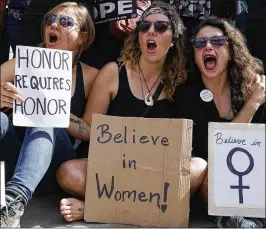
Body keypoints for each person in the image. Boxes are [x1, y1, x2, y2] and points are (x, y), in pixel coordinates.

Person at [56, 1, 207, 223]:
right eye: (144, 26)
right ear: (138, 36)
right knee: (68, 173)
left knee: (199, 168)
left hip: (155, 171)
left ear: (174, 39)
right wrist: (52, 109)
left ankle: (96, 209)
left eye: (161, 27)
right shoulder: (113, 72)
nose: (151, 31)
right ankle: (150, 209)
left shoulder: (181, 80)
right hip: (112, 169)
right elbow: (88, 129)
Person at [0, 2, 98, 227]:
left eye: (65, 22)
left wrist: (55, 108)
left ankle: (14, 201)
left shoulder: (92, 75)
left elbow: (92, 132)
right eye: (49, 21)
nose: (54, 25)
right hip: (17, 161)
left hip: (58, 167)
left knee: (45, 117)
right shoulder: (20, 64)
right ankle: (12, 198)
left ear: (83, 36)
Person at [174, 17, 265, 228]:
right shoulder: (186, 95)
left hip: (251, 178)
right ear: (194, 56)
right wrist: (252, 105)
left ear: (232, 51)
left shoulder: (251, 87)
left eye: (217, 41)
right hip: (210, 184)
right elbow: (221, 150)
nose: (207, 46)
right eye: (199, 43)